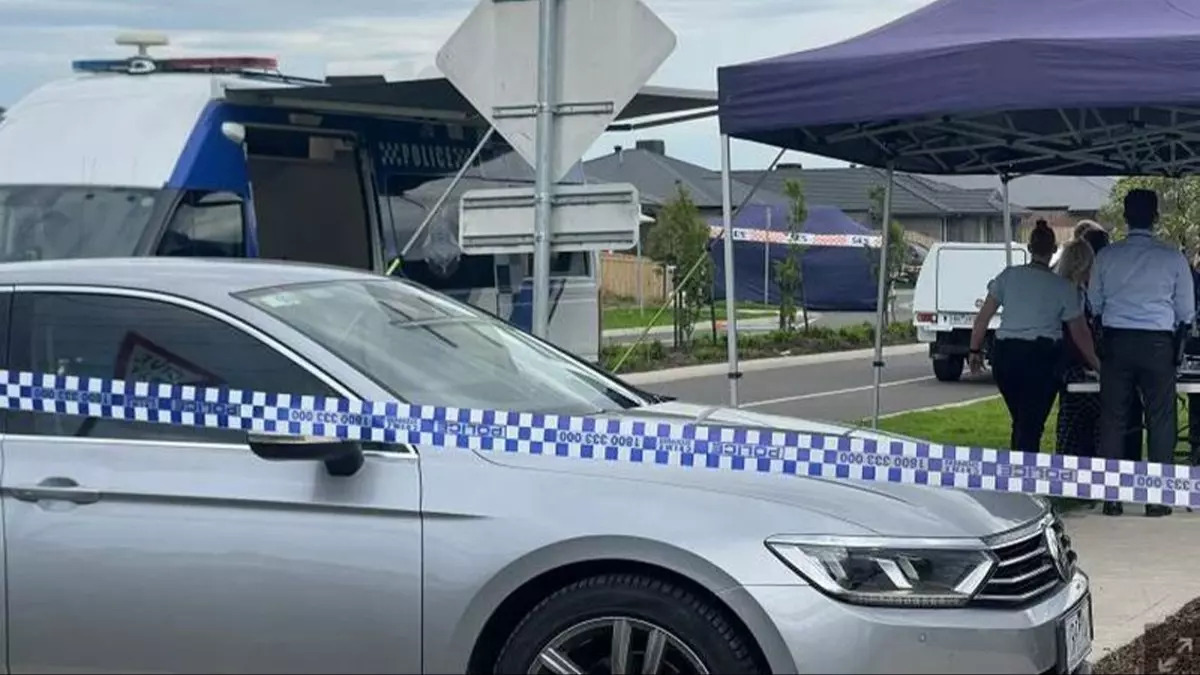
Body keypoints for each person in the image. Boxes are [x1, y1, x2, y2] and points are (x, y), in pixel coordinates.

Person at [1089, 188, 1195, 517]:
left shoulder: (1107, 256)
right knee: (1161, 418)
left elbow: (1094, 303)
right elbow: (1186, 311)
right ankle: (1157, 499)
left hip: (1116, 342)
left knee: (1113, 418)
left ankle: (1112, 497)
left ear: (1124, 217)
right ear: (1156, 218)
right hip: (1158, 344)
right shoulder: (1172, 258)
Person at [969, 220, 1100, 454]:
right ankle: (1025, 468)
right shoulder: (1062, 288)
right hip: (1041, 358)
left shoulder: (1008, 276)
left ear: (1029, 248)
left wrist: (974, 350)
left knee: (1021, 420)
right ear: (1054, 249)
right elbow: (1080, 332)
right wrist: (1098, 365)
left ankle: (1018, 463)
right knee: (1031, 424)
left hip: (1006, 356)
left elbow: (982, 318)